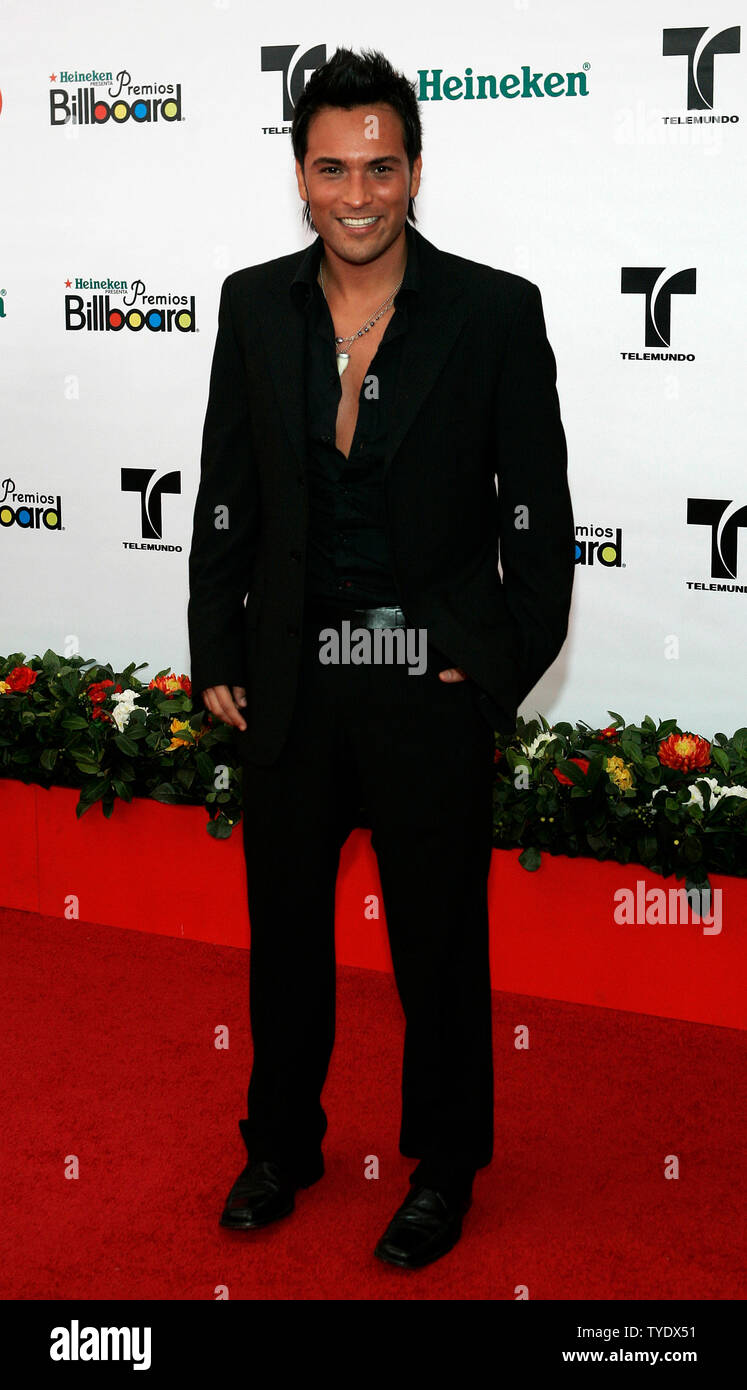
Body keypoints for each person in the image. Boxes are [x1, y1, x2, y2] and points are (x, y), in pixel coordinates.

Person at [187, 46, 575, 1270]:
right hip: (292, 675)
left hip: (424, 681)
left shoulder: (494, 310)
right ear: (299, 177)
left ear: (415, 170)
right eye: (333, 169)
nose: (358, 194)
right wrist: (216, 644)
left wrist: (498, 656)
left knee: (437, 946)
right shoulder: (254, 304)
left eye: (382, 168)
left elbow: (542, 513)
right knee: (285, 929)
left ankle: (444, 1165)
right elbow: (226, 492)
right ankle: (283, 1144)